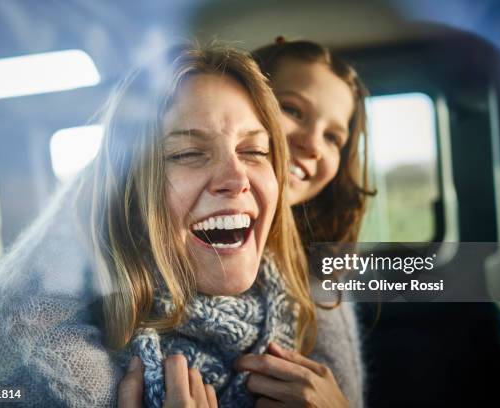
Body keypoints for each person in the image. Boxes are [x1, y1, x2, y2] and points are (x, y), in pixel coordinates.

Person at [0, 45, 317, 407]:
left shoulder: (302, 318)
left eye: (254, 151)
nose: (236, 177)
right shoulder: (23, 386)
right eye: (187, 153)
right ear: (130, 195)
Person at [121, 38, 372, 408]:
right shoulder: (122, 281)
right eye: (293, 110)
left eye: (333, 137)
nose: (313, 145)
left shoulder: (318, 286)